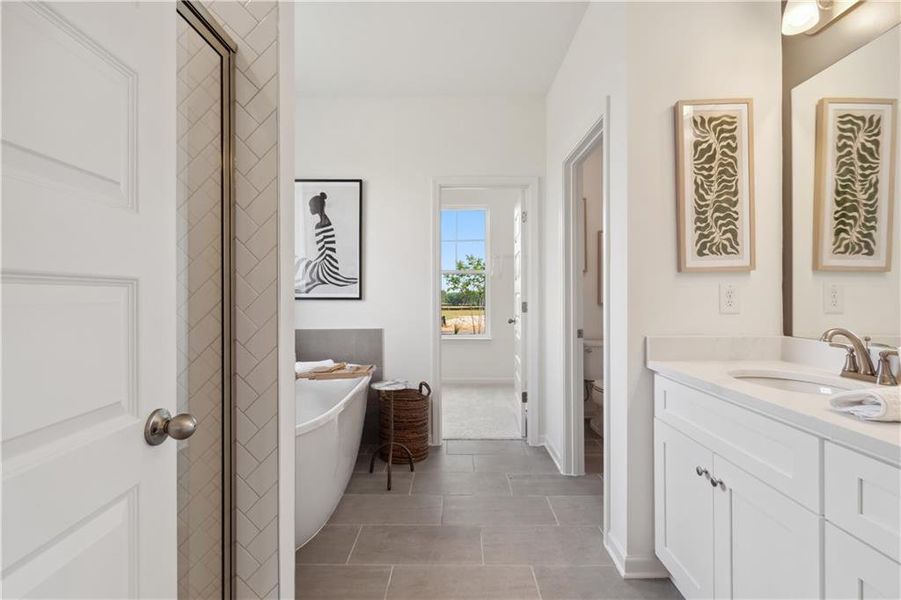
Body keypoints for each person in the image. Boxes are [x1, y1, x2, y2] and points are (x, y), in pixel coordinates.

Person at [295, 192, 358, 294]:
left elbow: (325, 251)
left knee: (308, 271)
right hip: (331, 261)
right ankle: (308, 283)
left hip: (328, 263)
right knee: (308, 268)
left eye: (310, 207)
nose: (310, 209)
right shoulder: (326, 222)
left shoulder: (320, 225)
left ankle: (308, 285)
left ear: (316, 207)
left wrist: (314, 263)